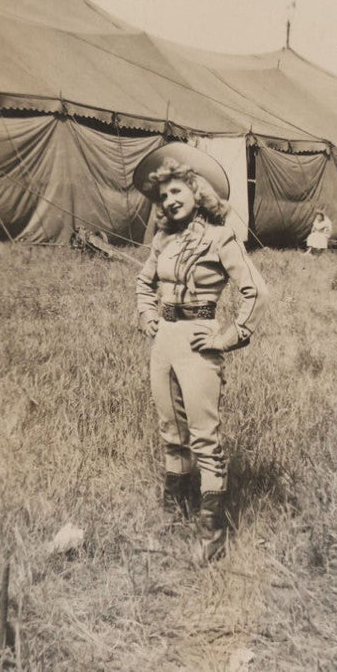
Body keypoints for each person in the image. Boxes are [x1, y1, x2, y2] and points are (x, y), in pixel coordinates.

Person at [133, 143, 265, 562]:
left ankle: (211, 538)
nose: (169, 201)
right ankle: (173, 518)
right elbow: (143, 284)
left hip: (198, 340)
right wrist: (147, 315)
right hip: (164, 342)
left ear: (196, 191)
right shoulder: (161, 240)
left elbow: (257, 293)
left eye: (177, 191)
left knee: (204, 440)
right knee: (170, 434)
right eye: (163, 196)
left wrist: (228, 336)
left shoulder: (220, 237)